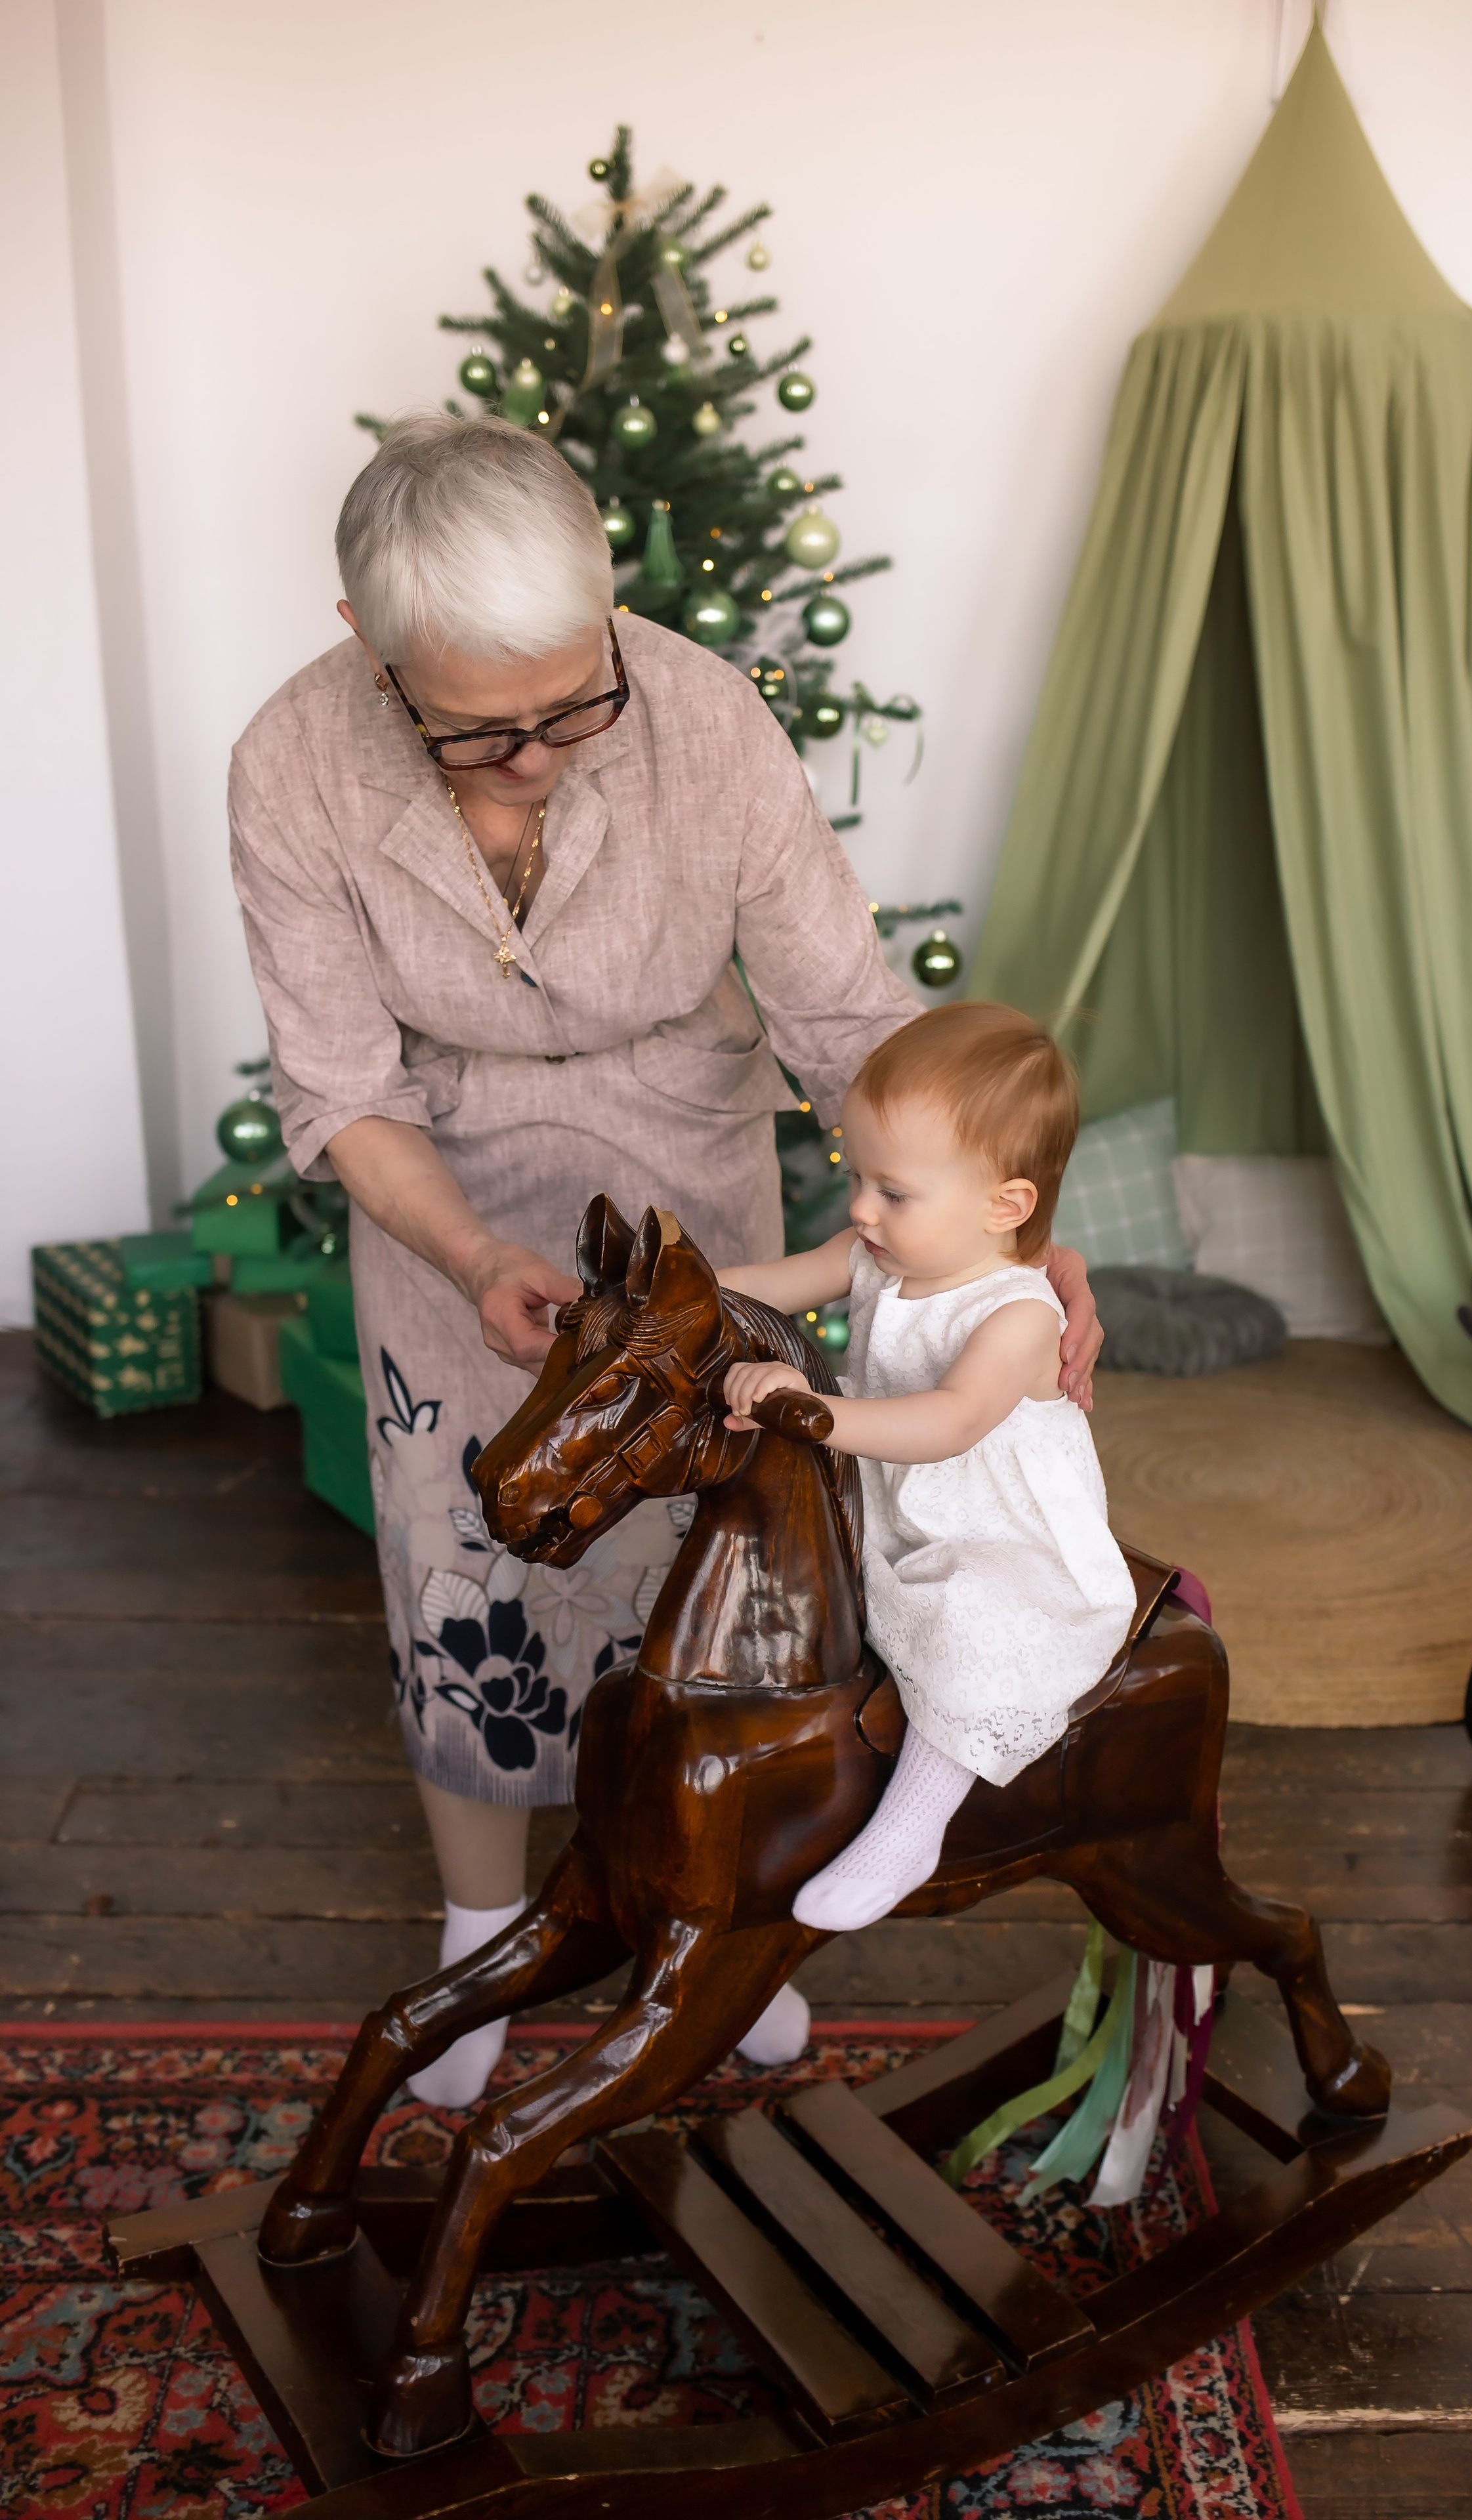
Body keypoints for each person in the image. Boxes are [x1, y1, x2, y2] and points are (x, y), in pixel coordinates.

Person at [230, 415, 1103, 2102]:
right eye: (482, 729)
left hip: (687, 1197)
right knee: (464, 1577)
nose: (541, 752)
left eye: (576, 701)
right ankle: (477, 1932)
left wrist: (1014, 1225)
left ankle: (719, 1915)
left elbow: (850, 1017)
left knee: (718, 1588)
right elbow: (338, 1087)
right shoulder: (291, 762)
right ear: (369, 653)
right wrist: (474, 1249)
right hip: (441, 1200)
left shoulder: (705, 716)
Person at [720, 1002, 1135, 1927]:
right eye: (857, 1177)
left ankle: (913, 1826)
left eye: (893, 1191)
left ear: (1006, 1205)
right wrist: (664, 1292)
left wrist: (809, 1409)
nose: (860, 1208)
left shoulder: (1020, 1314)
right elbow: (765, 1285)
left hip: (994, 1535)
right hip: (891, 1500)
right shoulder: (874, 1256)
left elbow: (949, 1423)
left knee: (969, 1621)